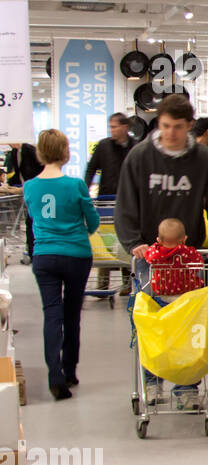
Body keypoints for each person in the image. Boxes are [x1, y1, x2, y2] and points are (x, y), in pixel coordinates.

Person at [115, 94, 208, 407]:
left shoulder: (205, 160)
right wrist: (132, 243)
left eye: (178, 127)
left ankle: (186, 387)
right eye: (166, 126)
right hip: (149, 257)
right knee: (152, 322)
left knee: (189, 324)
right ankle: (151, 382)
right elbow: (125, 204)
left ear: (190, 126)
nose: (170, 133)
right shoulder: (140, 157)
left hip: (189, 257)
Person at [24, 129, 99, 401]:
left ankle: (54, 375)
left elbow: (33, 219)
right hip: (76, 255)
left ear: (40, 152)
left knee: (51, 314)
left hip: (44, 256)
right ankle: (70, 371)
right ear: (65, 151)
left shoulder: (30, 186)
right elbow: (93, 222)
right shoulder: (75, 185)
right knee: (71, 314)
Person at [84, 111, 134, 295]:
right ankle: (102, 285)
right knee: (106, 241)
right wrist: (85, 191)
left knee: (125, 241)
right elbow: (91, 169)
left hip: (128, 203)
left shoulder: (135, 148)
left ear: (125, 127)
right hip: (105, 202)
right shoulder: (104, 146)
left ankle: (127, 283)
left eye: (115, 126)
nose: (112, 130)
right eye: (110, 127)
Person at [143, 217, 205, 296]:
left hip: (163, 289)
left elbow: (148, 257)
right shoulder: (188, 252)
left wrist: (156, 246)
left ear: (159, 240)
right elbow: (199, 264)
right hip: (188, 288)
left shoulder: (156, 253)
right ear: (184, 239)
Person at [6, 142, 41, 264]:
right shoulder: (14, 153)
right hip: (29, 192)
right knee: (30, 221)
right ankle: (32, 253)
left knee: (33, 221)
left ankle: (35, 253)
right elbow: (19, 174)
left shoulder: (29, 150)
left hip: (39, 192)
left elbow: (39, 170)